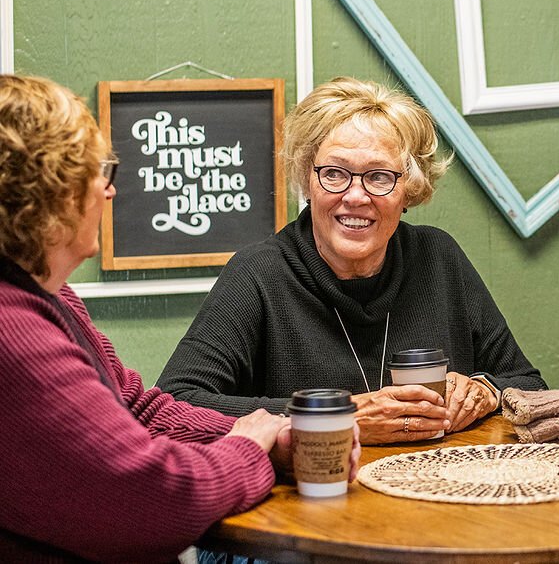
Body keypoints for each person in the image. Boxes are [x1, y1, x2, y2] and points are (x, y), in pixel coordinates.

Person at [0, 74, 357, 563]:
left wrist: (272, 436)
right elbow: (152, 499)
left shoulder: (51, 293)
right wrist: (249, 451)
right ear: (48, 193)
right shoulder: (11, 329)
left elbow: (137, 408)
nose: (108, 192)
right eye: (97, 171)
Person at [158, 76, 545, 445]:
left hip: (439, 493)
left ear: (408, 189)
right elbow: (174, 408)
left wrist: (486, 390)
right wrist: (337, 416)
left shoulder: (439, 258)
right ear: (307, 180)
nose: (356, 196)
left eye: (379, 177)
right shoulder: (259, 274)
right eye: (335, 173)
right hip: (314, 500)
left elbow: (528, 384)